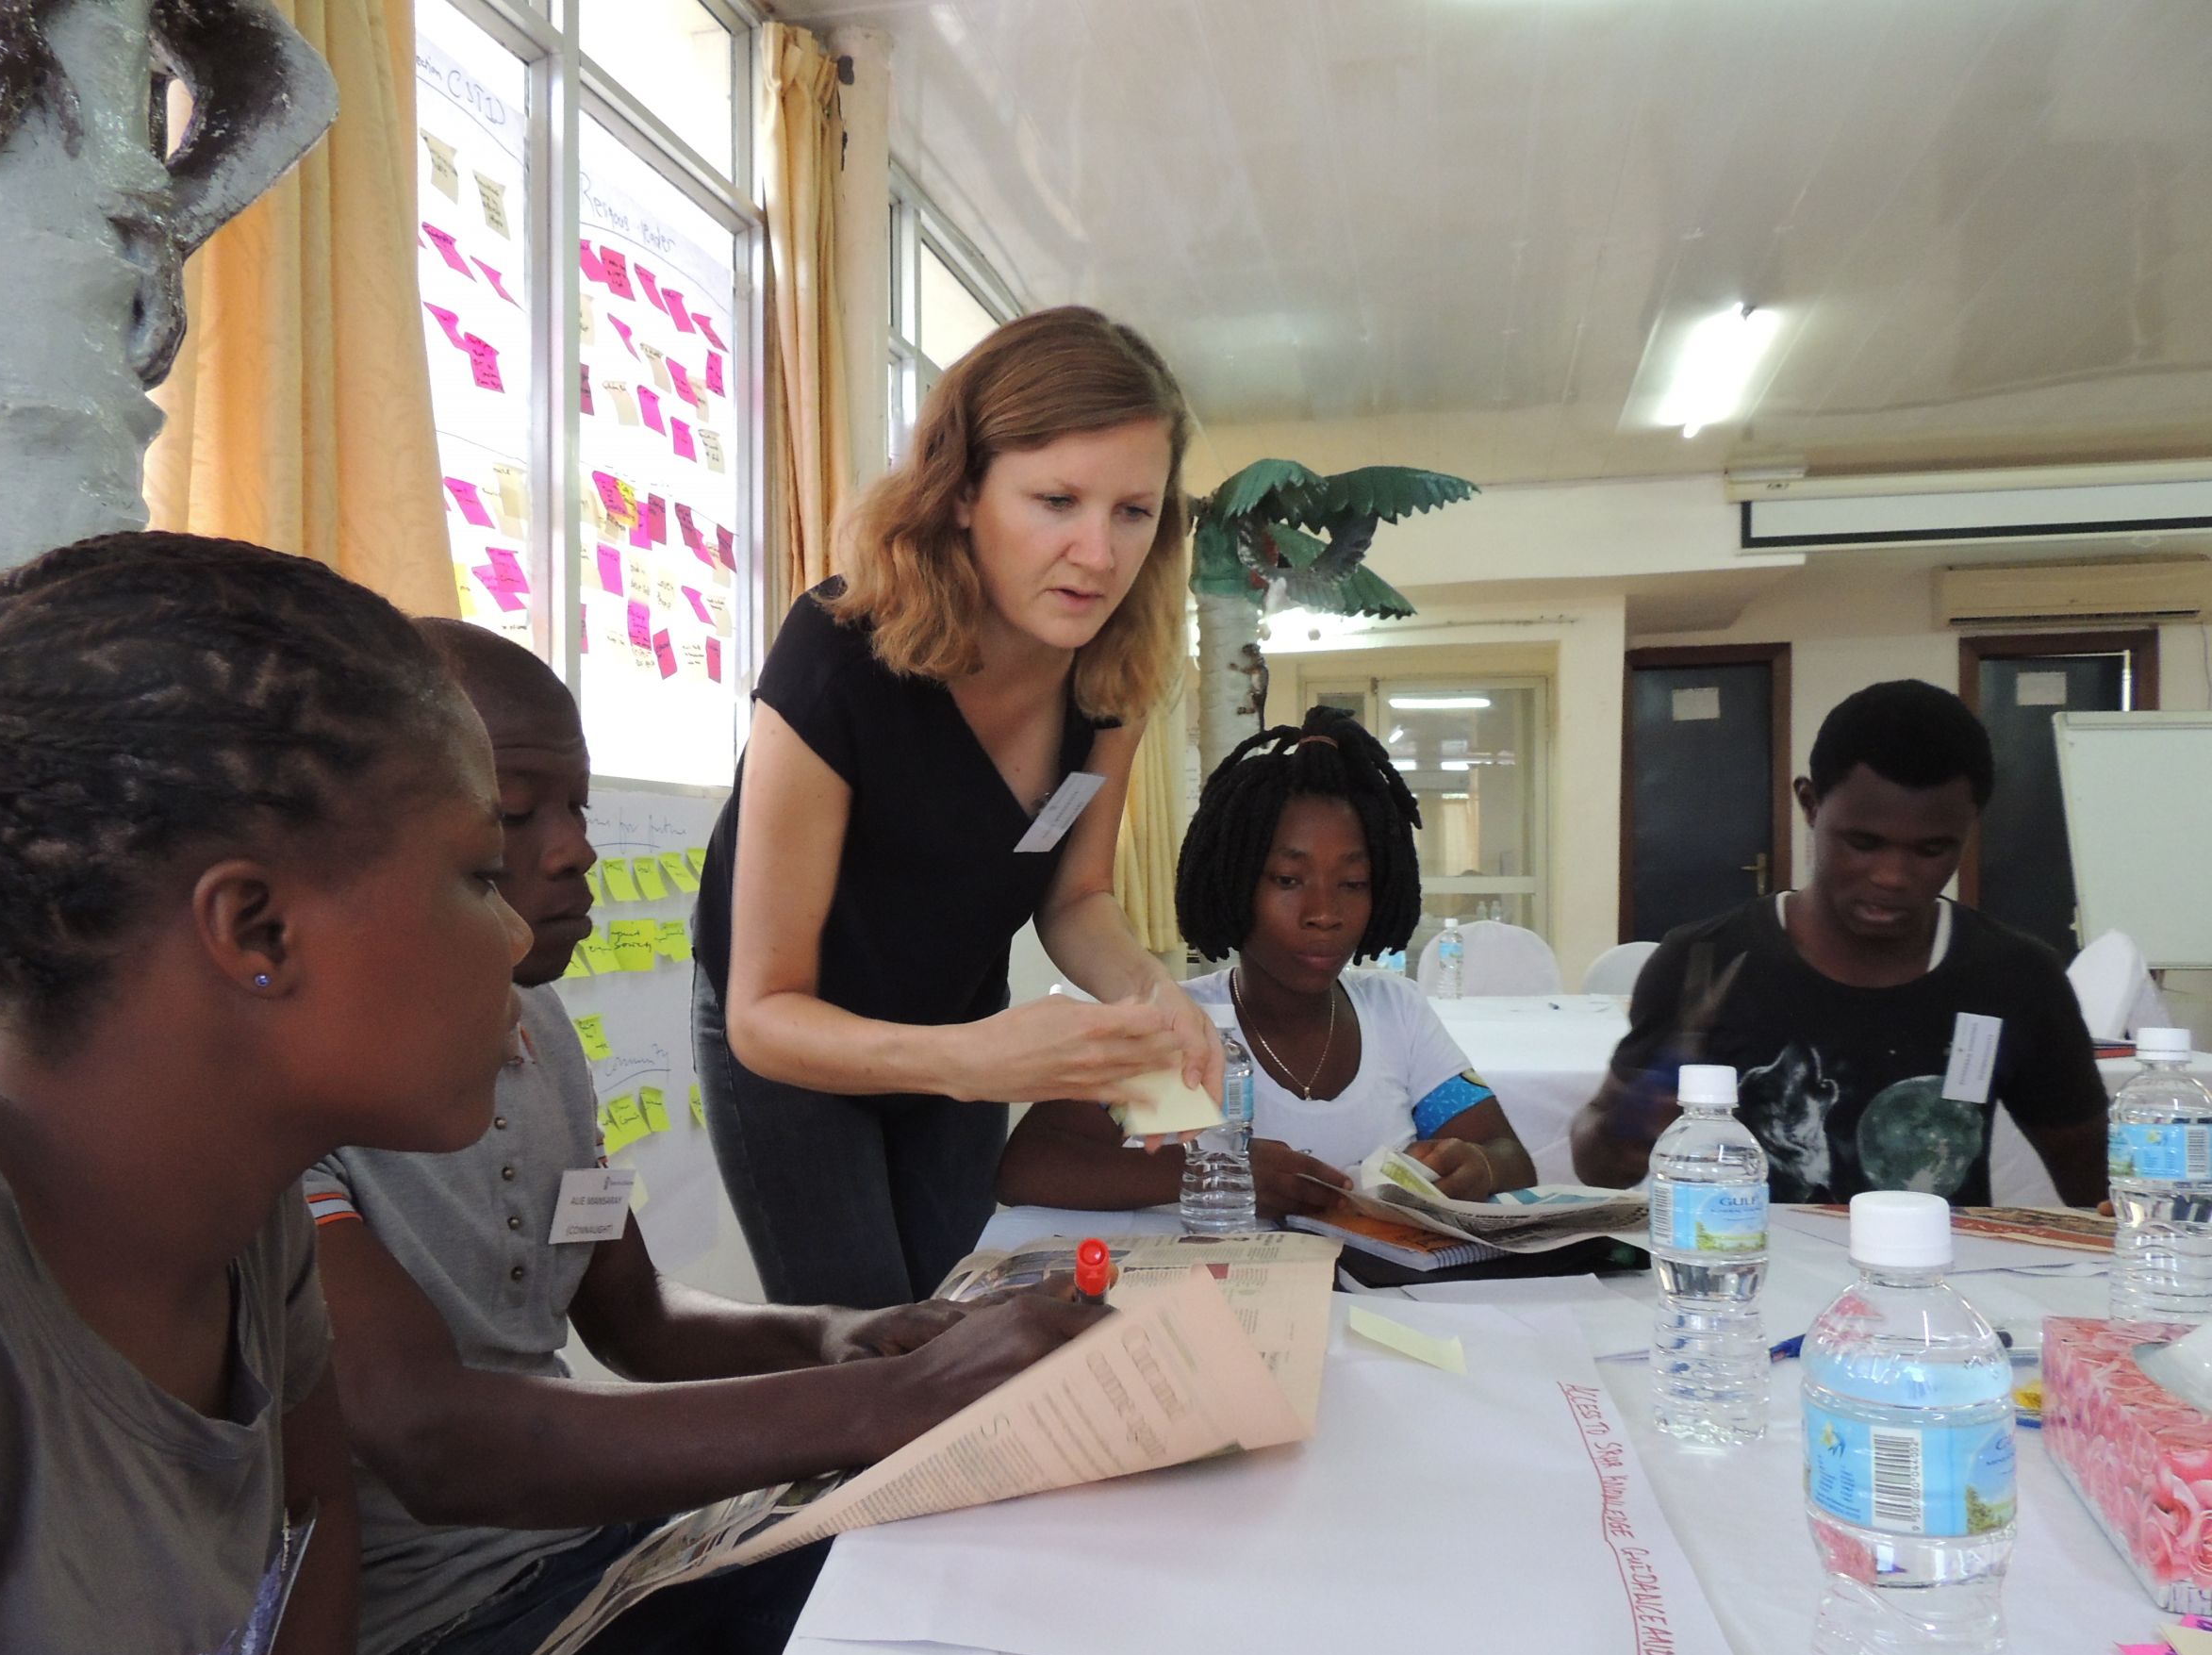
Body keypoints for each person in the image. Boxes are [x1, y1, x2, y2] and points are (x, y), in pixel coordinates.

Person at [311, 623, 1102, 1655]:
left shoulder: (540, 1038)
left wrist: (840, 1333)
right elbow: (432, 1439)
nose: (576, 850)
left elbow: (636, 1318)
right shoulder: (288, 1107)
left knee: (988, 1624)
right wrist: (886, 1401)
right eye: (517, 816)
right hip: (428, 1648)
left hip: (597, 1555)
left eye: (574, 806)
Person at [0, 534, 524, 1655]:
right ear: (254, 929)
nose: (516, 932)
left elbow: (304, 1541)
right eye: (477, 874)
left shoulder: (236, 1209)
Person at [692, 306, 1219, 1307]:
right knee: (868, 1346)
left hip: (959, 1029)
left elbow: (1074, 899)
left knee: (957, 1314)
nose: (1099, 557)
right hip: (800, 1039)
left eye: (1132, 512)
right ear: (962, 489)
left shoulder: (1113, 667)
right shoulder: (838, 656)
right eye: (1057, 499)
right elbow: (762, 1014)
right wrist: (972, 1061)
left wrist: (1152, 995)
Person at [1573, 679, 2108, 1207]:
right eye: (1863, 842)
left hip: (1933, 1287)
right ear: (1809, 803)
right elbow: (1600, 1170)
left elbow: (2097, 1182)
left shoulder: (2015, 978)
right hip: (1745, 1284)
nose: (1893, 877)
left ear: (1971, 826)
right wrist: (1626, 1130)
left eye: (1932, 849)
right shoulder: (1703, 962)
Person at [999, 710, 1537, 1213]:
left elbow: (1508, 1153)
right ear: (1232, 883)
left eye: (1353, 883)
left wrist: (1480, 1167)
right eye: (1287, 880)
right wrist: (1217, 1173)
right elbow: (1031, 1168)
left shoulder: (1394, 1014)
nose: (1324, 913)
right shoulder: (1184, 1028)